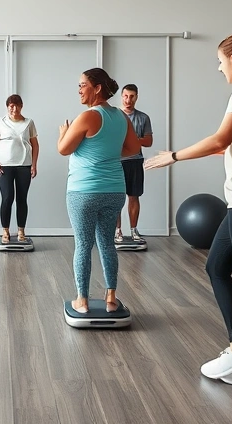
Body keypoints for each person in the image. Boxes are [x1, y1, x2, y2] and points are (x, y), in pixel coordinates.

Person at [145, 34, 232, 387]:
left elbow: (221, 139)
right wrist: (207, 151)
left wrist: (173, 156)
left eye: (220, 60)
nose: (219, 67)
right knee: (217, 267)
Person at [57, 69, 140, 314]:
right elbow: (134, 148)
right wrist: (108, 155)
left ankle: (81, 301)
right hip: (114, 190)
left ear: (98, 88)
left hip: (83, 192)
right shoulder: (120, 117)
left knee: (83, 244)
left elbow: (63, 149)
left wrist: (62, 134)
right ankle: (111, 299)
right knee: (107, 244)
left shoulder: (87, 116)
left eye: (83, 85)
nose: (80, 90)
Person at [0, 95, 39, 244]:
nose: (14, 109)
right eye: (11, 106)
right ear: (7, 107)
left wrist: (34, 164)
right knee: (7, 198)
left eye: (17, 105)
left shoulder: (29, 123)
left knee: (22, 199)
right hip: (4, 166)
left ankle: (21, 231)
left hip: (24, 165)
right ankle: (5, 231)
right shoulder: (0, 123)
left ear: (21, 106)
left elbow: (35, 145)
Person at [116, 84, 153, 243]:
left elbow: (149, 141)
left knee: (134, 196)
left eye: (131, 96)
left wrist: (132, 141)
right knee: (117, 198)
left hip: (135, 162)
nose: (128, 100)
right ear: (121, 96)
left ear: (136, 97)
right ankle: (117, 231)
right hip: (117, 163)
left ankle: (133, 230)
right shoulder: (115, 116)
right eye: (125, 96)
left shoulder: (143, 118)